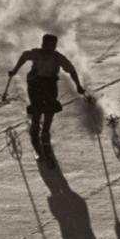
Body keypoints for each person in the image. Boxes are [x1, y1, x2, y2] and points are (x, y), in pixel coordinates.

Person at [7, 33, 85, 167]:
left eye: (52, 45)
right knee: (37, 109)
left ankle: (45, 132)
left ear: (55, 46)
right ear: (43, 44)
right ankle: (35, 131)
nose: (49, 48)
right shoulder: (37, 53)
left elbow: (71, 70)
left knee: (50, 108)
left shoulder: (57, 57)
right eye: (47, 45)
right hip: (35, 83)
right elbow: (25, 56)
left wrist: (78, 85)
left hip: (49, 84)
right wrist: (15, 70)